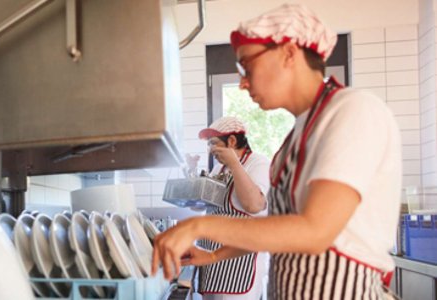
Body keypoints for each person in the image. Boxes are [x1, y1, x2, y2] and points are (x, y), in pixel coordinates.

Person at [152, 3, 402, 300]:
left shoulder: (352, 110)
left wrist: (198, 225)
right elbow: (281, 227)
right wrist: (213, 256)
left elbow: (315, 231)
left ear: (288, 53)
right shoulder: (296, 136)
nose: (243, 83)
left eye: (247, 65)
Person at [186, 116, 271, 300]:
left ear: (232, 141)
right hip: (211, 262)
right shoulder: (219, 169)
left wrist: (234, 164)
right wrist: (191, 171)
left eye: (214, 143)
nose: (211, 150)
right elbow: (199, 206)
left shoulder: (259, 163)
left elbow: (254, 205)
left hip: (239, 265)